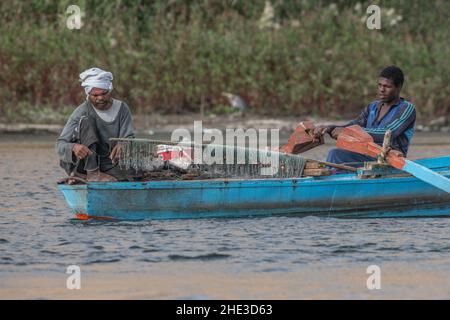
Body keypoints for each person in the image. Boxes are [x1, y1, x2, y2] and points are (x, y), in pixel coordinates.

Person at [314, 65, 416, 166]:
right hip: (367, 153)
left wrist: (347, 132)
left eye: (387, 87)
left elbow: (388, 133)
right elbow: (355, 125)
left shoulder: (406, 108)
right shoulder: (372, 107)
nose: (381, 90)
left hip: (389, 159)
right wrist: (329, 128)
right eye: (380, 85)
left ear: (399, 87)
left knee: (336, 154)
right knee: (338, 152)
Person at [56, 67, 136, 183]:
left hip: (109, 163)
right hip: (83, 164)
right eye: (95, 95)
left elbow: (129, 137)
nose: (100, 98)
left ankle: (81, 177)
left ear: (110, 90)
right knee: (86, 121)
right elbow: (60, 144)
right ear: (88, 94)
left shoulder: (122, 109)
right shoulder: (81, 111)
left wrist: (123, 144)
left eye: (104, 93)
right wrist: (74, 147)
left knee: (133, 174)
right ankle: (91, 173)